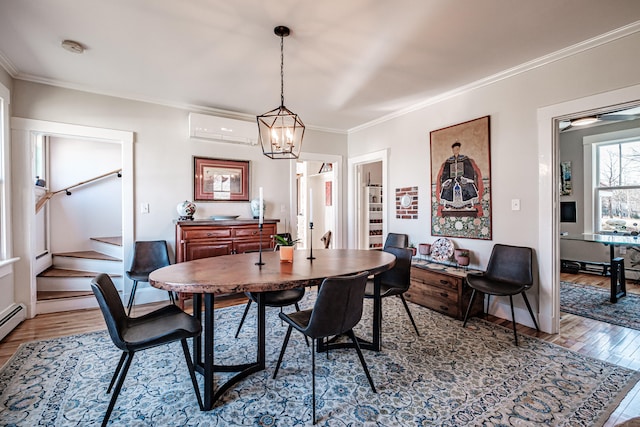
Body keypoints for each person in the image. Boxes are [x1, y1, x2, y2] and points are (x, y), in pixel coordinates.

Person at [436, 141, 483, 217]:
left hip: (463, 178)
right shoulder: (449, 161)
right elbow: (445, 172)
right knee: (448, 187)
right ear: (453, 150)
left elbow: (469, 170)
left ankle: (469, 204)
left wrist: (465, 178)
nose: (456, 151)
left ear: (459, 149)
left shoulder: (464, 159)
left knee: (467, 186)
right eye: (454, 149)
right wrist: (447, 180)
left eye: (457, 149)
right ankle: (448, 205)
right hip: (451, 180)